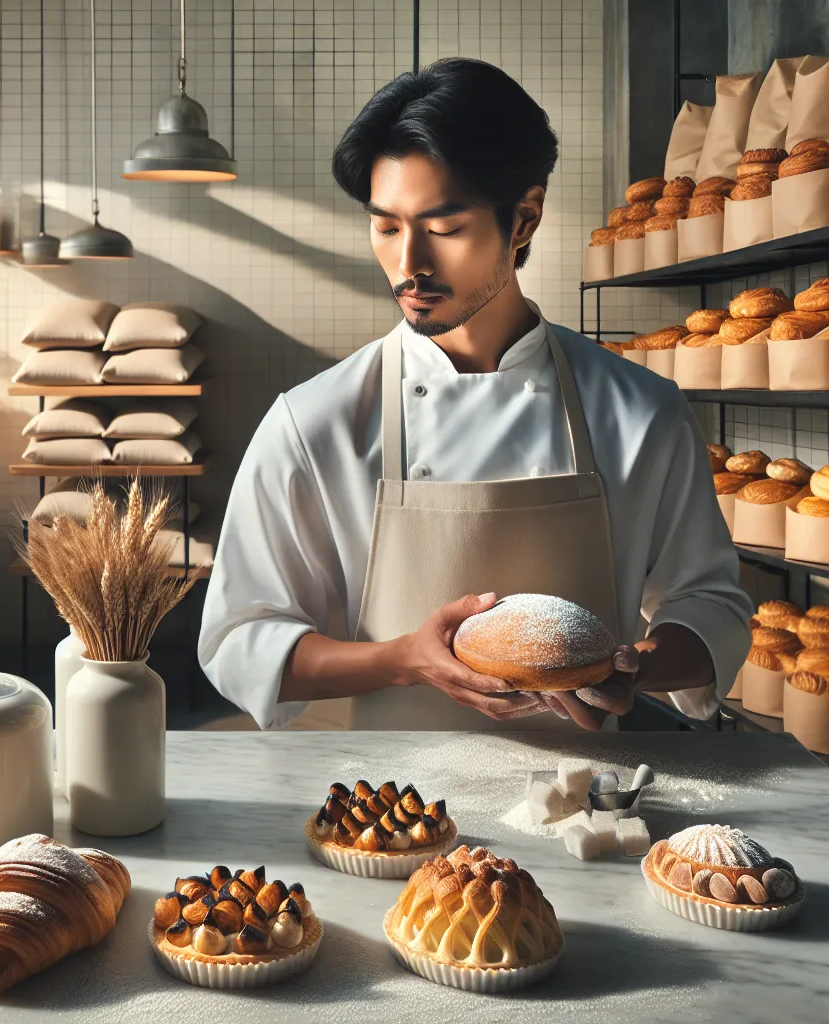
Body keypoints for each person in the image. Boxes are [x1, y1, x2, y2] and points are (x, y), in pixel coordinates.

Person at [197, 58, 752, 731]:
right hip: (391, 818)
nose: (410, 266)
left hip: (589, 817)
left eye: (444, 228)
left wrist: (631, 667)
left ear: (524, 218)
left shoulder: (639, 411)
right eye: (387, 227)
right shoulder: (315, 423)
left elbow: (711, 606)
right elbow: (238, 642)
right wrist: (406, 659)